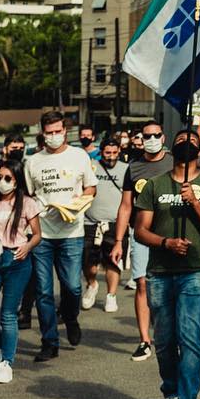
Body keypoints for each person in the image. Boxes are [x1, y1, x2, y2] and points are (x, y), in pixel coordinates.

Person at [134, 128, 200, 399]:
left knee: (189, 337)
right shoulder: (155, 185)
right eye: (182, 141)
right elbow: (140, 231)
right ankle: (170, 391)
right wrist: (165, 243)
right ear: (173, 148)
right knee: (164, 340)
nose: (188, 144)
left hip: (196, 270)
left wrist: (195, 203)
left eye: (194, 142)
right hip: (160, 271)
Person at [25, 110, 98, 362]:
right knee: (43, 292)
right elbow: (28, 196)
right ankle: (49, 341)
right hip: (42, 234)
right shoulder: (33, 162)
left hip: (72, 231)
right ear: (42, 134)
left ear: (65, 131)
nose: (54, 136)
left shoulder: (79, 156)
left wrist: (81, 201)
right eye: (49, 132)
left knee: (73, 286)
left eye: (58, 131)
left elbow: (91, 187)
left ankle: (70, 316)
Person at [111, 120, 175, 361]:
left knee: (171, 285)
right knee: (142, 284)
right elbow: (126, 206)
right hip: (141, 234)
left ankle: (169, 334)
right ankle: (145, 341)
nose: (151, 140)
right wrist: (118, 241)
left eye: (155, 135)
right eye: (146, 136)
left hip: (170, 232)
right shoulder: (134, 167)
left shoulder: (173, 162)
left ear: (163, 138)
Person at [0, 160, 41, 384]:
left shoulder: (28, 204)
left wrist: (28, 246)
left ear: (17, 181)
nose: (2, 182)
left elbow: (37, 234)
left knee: (9, 314)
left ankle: (7, 362)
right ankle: (0, 346)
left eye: (8, 178)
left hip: (16, 260)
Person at [83, 135, 127, 314]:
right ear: (101, 152)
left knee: (113, 262)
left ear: (119, 152)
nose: (111, 156)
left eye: (114, 152)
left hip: (115, 223)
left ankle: (111, 295)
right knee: (87, 262)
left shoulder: (126, 169)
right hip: (89, 222)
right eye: (107, 153)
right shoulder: (91, 166)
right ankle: (92, 284)